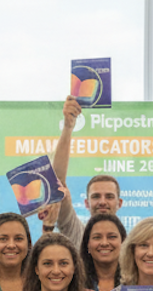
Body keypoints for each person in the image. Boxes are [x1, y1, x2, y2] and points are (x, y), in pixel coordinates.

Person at [52, 95, 124, 247]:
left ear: (120, 203)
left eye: (109, 196)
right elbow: (57, 185)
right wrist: (68, 127)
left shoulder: (130, 245)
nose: (102, 202)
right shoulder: (78, 234)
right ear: (86, 203)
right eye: (96, 196)